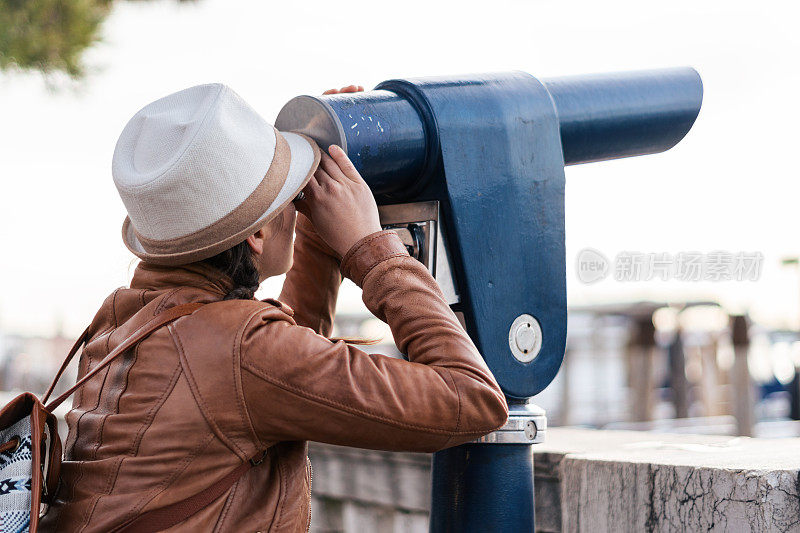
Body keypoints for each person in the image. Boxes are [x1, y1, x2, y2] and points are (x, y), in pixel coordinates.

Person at [40, 83, 508, 532]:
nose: (300, 200)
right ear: (257, 236)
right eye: (290, 194)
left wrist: (322, 242)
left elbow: (278, 375)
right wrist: (371, 250)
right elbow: (470, 399)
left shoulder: (123, 319)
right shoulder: (240, 350)